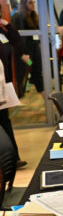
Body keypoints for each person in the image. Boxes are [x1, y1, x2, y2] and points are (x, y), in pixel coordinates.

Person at [0, 18, 30, 168]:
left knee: (5, 122)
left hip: (4, 84)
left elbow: (17, 44)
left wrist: (8, 25)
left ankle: (13, 159)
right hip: (2, 83)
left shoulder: (2, 31)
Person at [11, 0, 43, 96]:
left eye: (33, 2)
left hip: (34, 49)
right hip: (24, 52)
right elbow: (17, 37)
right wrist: (23, 53)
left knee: (37, 70)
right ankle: (18, 94)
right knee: (23, 72)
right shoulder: (18, 16)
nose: (33, 4)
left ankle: (43, 92)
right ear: (24, 4)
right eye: (30, 2)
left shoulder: (34, 15)